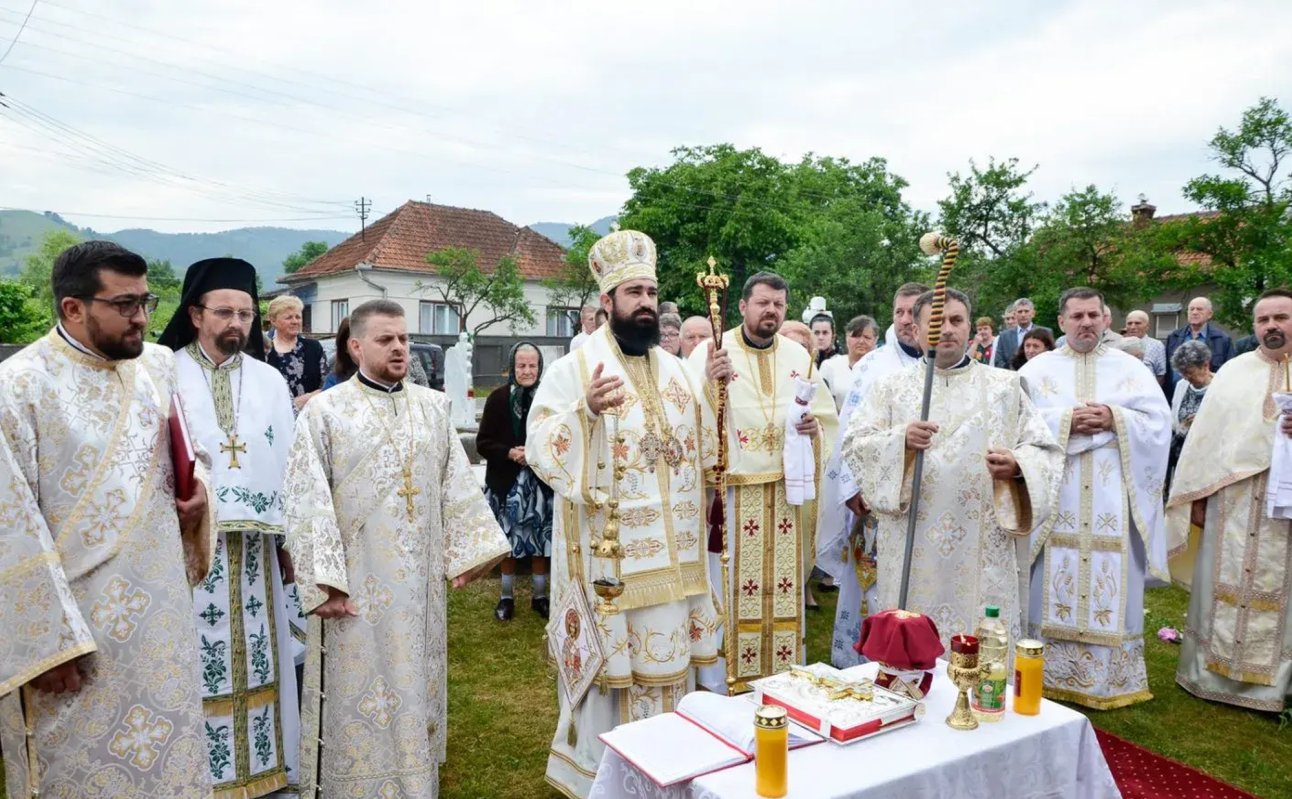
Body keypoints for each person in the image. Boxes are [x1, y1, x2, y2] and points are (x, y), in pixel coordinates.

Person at [0, 241, 214, 797]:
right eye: (125, 304)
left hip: (160, 614)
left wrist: (200, 500)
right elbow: (8, 524)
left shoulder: (156, 368)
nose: (142, 317)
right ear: (73, 308)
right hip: (77, 631)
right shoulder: (18, 386)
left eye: (147, 300)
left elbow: (189, 455)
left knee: (169, 757)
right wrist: (46, 645)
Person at [527, 230, 727, 798]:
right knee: (616, 680)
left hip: (677, 562)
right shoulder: (576, 367)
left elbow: (702, 455)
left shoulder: (676, 369)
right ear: (606, 303)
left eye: (651, 290)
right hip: (610, 570)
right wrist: (585, 412)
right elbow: (541, 444)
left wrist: (713, 394)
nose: (645, 301)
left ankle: (669, 771)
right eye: (632, 291)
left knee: (673, 673)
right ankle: (606, 779)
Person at [283, 299, 509, 798]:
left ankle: (415, 782)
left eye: (404, 338)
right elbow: (306, 501)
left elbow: (455, 482)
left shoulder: (431, 407)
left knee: (415, 686)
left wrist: (469, 552)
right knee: (357, 690)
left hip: (420, 587)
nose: (400, 348)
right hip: (356, 586)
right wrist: (324, 582)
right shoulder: (324, 412)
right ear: (356, 345)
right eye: (386, 340)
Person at [843, 288, 1061, 657]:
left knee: (979, 637)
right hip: (912, 539)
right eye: (936, 322)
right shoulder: (890, 388)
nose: (947, 329)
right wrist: (900, 443)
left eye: (956, 321)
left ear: (970, 329)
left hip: (982, 546)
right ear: (915, 330)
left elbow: (1044, 451)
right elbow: (856, 445)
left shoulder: (1004, 387)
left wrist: (1017, 466)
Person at [157, 258, 303, 797]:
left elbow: (289, 463)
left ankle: (265, 769)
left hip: (257, 553)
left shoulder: (267, 380)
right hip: (191, 552)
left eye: (246, 312)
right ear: (195, 314)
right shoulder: (163, 371)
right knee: (199, 658)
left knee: (263, 654)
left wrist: (290, 542)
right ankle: (202, 773)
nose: (237, 323)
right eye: (224, 312)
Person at [1019, 287, 1171, 710]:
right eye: (1077, 316)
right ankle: (1043, 672)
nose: (1086, 323)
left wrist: (1114, 417)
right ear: (1062, 321)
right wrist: (1066, 419)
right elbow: (1018, 424)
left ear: (1106, 319)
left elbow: (1159, 425)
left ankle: (1107, 679)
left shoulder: (1132, 370)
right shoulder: (1037, 370)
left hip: (1110, 494)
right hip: (1057, 492)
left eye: (1093, 315)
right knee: (1048, 571)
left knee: (1111, 571)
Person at [689, 271, 838, 692]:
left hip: (787, 495)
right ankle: (725, 679)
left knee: (783, 591)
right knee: (732, 589)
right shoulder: (711, 351)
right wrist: (706, 381)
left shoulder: (799, 356)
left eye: (779, 304)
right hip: (733, 497)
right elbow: (687, 414)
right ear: (742, 306)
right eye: (763, 303)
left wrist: (814, 432)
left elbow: (827, 419)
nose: (771, 310)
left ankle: (785, 680)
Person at [1166, 289, 1292, 713]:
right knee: (1222, 585)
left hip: (1287, 508)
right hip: (1233, 502)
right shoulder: (1235, 372)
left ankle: (1278, 688)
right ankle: (1209, 675)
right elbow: (1207, 442)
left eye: (1281, 317)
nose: (1272, 326)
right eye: (1264, 320)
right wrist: (1196, 498)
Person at [817, 283, 927, 668]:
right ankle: (864, 662)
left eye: (914, 311)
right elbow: (849, 431)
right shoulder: (873, 366)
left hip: (927, 500)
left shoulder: (943, 366)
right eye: (899, 312)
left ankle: (920, 654)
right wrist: (850, 487)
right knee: (874, 584)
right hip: (877, 498)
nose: (907, 320)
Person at [476, 342, 553, 621]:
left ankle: (540, 597)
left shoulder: (549, 398)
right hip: (505, 483)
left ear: (540, 367)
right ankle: (506, 598)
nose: (527, 370)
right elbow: (483, 442)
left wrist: (533, 454)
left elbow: (558, 438)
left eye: (532, 365)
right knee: (507, 542)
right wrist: (509, 452)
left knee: (541, 541)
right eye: (521, 365)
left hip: (540, 483)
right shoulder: (497, 398)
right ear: (512, 367)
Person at [1164, 340, 1213, 587]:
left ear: (1205, 365)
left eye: (1190, 372)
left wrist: (1202, 421)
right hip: (1182, 451)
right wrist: (1182, 425)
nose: (1187, 377)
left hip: (1209, 456)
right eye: (1183, 372)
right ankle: (1180, 551)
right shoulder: (1182, 385)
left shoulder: (1220, 386)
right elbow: (1174, 415)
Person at [265, 295, 328, 412]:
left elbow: (327, 384)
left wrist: (308, 398)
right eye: (289, 318)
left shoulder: (314, 347)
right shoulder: (265, 351)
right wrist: (292, 405)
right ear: (273, 320)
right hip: (276, 418)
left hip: (312, 414)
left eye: (298, 317)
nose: (295, 321)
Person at [1165, 296, 1234, 393]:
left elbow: (1229, 371)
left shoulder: (1222, 339)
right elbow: (1167, 370)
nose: (1194, 312)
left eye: (1199, 309)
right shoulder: (1174, 337)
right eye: (1191, 309)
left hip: (1208, 394)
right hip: (1176, 394)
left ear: (1209, 314)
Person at [819, 315, 880, 410]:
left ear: (875, 340)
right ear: (847, 337)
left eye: (867, 337)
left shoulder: (882, 368)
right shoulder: (830, 366)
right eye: (856, 336)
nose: (861, 341)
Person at [993, 298, 1049, 369]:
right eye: (1020, 312)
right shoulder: (1004, 336)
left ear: (1033, 313)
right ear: (1015, 314)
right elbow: (998, 362)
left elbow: (1051, 359)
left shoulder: (1045, 332)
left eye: (1026, 311)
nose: (1023, 314)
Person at [1124, 310, 1167, 386]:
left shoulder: (1157, 345)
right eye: (1129, 323)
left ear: (1147, 326)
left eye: (1137, 323)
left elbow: (1161, 374)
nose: (1132, 327)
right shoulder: (1119, 345)